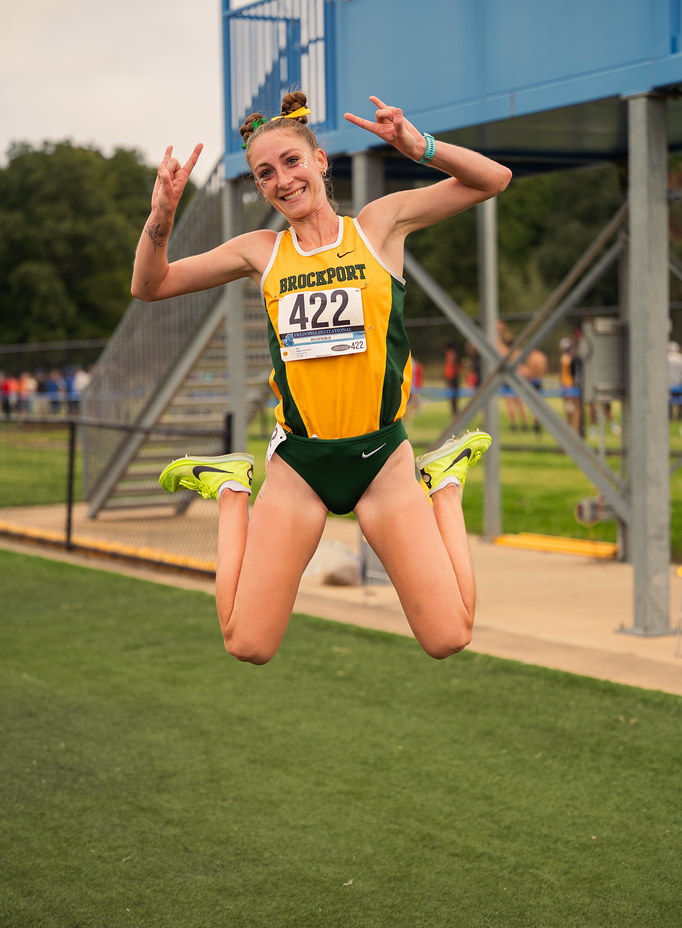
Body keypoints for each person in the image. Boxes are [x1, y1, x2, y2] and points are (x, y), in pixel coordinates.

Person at [131, 92, 512, 664]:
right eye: (265, 173)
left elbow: (493, 179)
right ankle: (231, 488)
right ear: (258, 187)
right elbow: (151, 284)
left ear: (320, 160)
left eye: (291, 161)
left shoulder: (379, 228)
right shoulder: (260, 251)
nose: (281, 180)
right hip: (301, 467)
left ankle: (446, 483)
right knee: (247, 643)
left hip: (383, 460)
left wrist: (420, 146)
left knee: (449, 637)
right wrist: (162, 215)